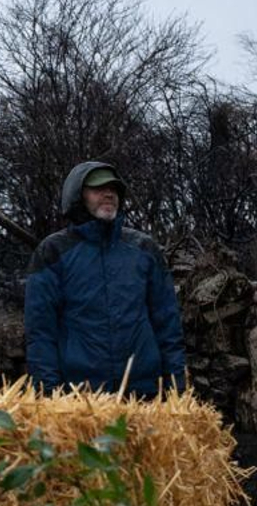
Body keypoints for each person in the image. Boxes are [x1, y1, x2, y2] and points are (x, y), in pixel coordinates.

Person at [24, 161, 187, 396]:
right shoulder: (53, 252)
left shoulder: (143, 249)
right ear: (77, 196)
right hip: (81, 398)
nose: (108, 194)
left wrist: (177, 390)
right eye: (98, 188)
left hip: (143, 394)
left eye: (113, 189)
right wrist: (48, 394)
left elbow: (168, 325)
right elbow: (41, 332)